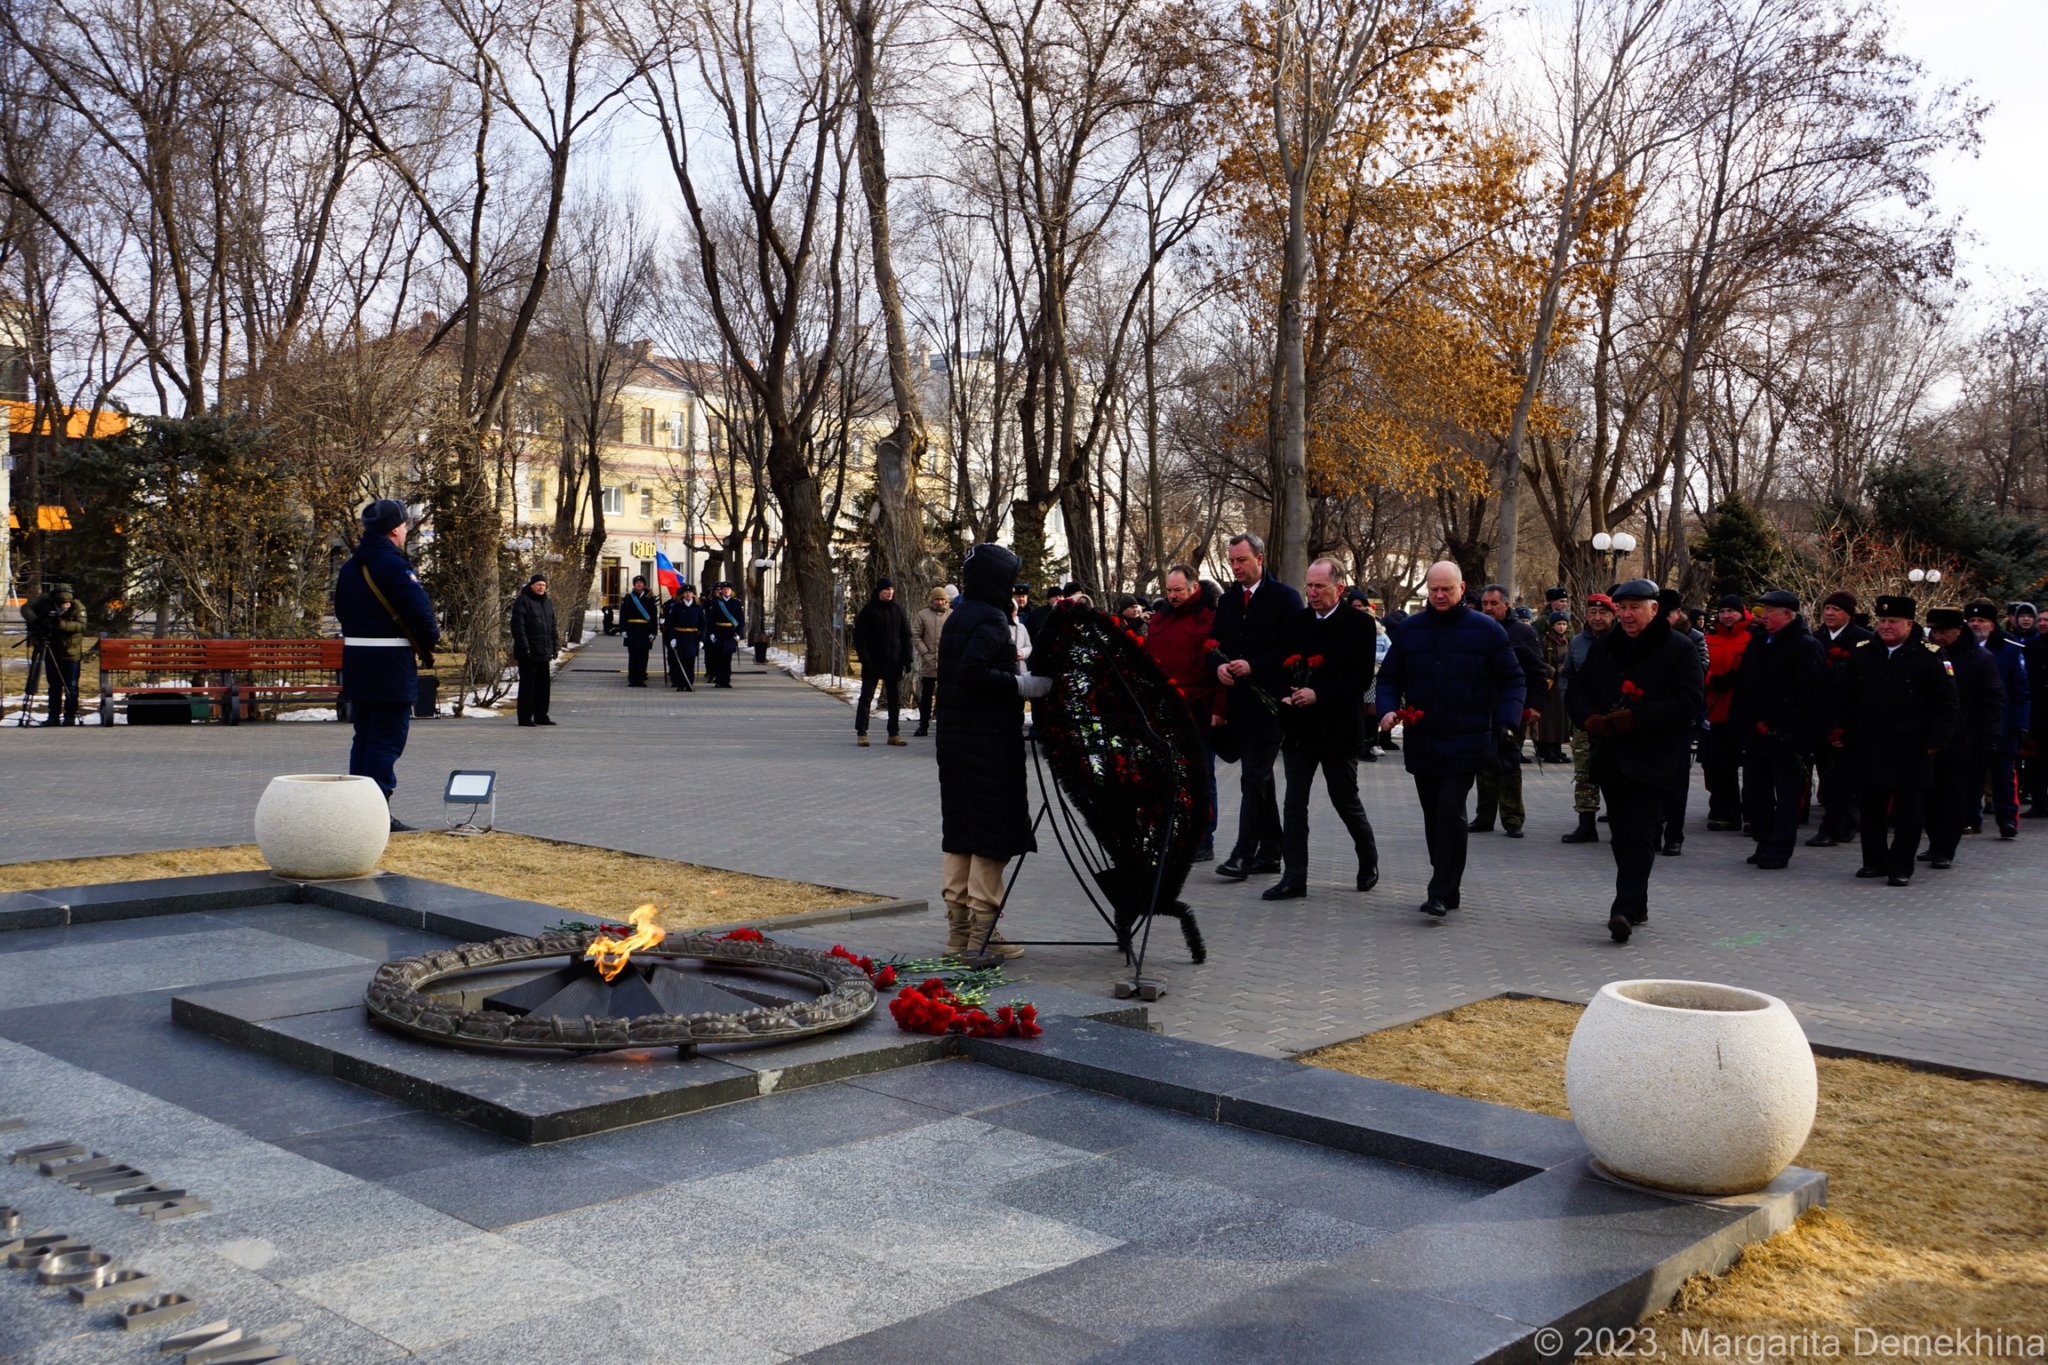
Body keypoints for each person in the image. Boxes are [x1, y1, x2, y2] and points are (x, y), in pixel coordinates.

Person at [1375, 561, 1525, 917]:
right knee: (1433, 814)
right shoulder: (1410, 630)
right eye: (1434, 589)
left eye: (1447, 589)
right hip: (1423, 735)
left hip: (1468, 735)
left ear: (1462, 588)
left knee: (1450, 810)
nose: (1440, 596)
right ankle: (1447, 881)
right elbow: (1390, 677)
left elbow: (1513, 680)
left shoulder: (1486, 630)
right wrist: (1387, 708)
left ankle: (1439, 890)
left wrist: (1506, 722)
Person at [1564, 578, 1705, 942]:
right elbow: (1577, 689)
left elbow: (1689, 702)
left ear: (1653, 609)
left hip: (1653, 756)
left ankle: (1623, 908)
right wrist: (1589, 718)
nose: (1626, 615)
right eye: (1621, 608)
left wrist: (1637, 718)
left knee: (1640, 832)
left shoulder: (1678, 648)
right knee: (1619, 834)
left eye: (1634, 608)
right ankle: (1637, 901)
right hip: (1610, 754)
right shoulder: (1604, 647)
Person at [936, 543, 1047, 959]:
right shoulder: (990, 619)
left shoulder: (960, 614)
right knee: (990, 835)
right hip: (987, 744)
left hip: (955, 740)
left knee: (961, 832)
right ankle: (982, 935)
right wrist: (1026, 685)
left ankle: (958, 934)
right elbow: (973, 673)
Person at [1261, 559, 1379, 899]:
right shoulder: (1297, 622)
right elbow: (1283, 665)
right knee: (1294, 804)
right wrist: (1284, 695)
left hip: (1339, 729)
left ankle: (1368, 859)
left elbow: (1360, 678)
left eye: (1319, 587)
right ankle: (1294, 877)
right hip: (1300, 730)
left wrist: (1320, 694)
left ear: (1338, 589)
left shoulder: (1359, 624)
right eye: (1308, 586)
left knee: (1345, 800)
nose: (1312, 593)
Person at [1833, 596, 1955, 884]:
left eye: (1893, 622)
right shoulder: (1863, 652)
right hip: (1868, 744)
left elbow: (1947, 703)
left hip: (1911, 747)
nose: (1886, 626)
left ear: (1909, 624)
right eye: (1882, 621)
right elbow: (1844, 696)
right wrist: (1838, 728)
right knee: (1871, 809)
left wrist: (1938, 739)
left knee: (1908, 813)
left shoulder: (1929, 655)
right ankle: (1874, 861)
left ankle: (1901, 867)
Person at [1206, 533, 1305, 880]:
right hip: (1239, 702)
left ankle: (1243, 854)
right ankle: (1272, 850)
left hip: (1272, 703)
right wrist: (1218, 666)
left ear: (1260, 559)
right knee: (1261, 780)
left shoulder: (1285, 598)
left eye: (1241, 560)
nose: (1235, 567)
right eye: (1231, 561)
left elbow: (1293, 648)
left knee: (1253, 777)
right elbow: (1213, 645)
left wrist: (1255, 665)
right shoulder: (1229, 600)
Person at [335, 498, 440, 828]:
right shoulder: (396, 568)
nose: (407, 530)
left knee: (364, 737)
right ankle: (375, 812)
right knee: (386, 739)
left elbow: (341, 610)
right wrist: (429, 638)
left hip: (357, 663)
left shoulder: (351, 567)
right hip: (390, 666)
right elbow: (422, 616)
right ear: (395, 529)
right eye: (406, 525)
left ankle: (355, 806)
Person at [1730, 589, 1826, 869]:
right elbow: (1743, 686)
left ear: (1788, 615)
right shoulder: (1758, 642)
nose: (1763, 617)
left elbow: (1811, 696)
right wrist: (1738, 723)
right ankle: (1763, 840)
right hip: (1756, 734)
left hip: (1788, 739)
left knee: (1786, 798)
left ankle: (1780, 847)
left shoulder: (1806, 646)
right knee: (1755, 794)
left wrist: (1793, 734)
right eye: (1762, 611)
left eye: (1770, 612)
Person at [1146, 564, 1220, 859]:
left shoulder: (1210, 619)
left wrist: (1218, 709)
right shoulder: (1160, 618)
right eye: (1169, 590)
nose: (1173, 596)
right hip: (1163, 711)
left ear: (1194, 588)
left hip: (1198, 711)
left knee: (1201, 778)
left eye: (1178, 590)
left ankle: (1203, 840)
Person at [1922, 607, 2003, 869]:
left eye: (1943, 631)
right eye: (1934, 631)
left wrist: (1988, 737)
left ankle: (1946, 848)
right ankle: (1934, 843)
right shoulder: (1928, 654)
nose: (1937, 636)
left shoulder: (1979, 658)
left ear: (1959, 630)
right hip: (1930, 737)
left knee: (1953, 799)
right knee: (1929, 798)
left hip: (1963, 740)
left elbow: (1991, 700)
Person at [1471, 583, 1548, 838]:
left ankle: (1512, 818)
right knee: (1484, 762)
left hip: (1512, 708)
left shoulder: (1522, 633)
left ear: (1507, 605)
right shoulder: (1477, 630)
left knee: (1508, 763)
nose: (1489, 608)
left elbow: (1538, 672)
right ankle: (1484, 816)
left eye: (1494, 604)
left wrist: (1535, 705)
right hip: (1482, 707)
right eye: (1485, 604)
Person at [1807, 591, 1872, 845]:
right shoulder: (1815, 639)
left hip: (1850, 720)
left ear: (1849, 613)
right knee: (1828, 775)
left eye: (1835, 609)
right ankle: (1844, 820)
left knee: (1845, 776)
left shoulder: (1863, 641)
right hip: (1821, 718)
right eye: (1827, 608)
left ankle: (1834, 827)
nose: (1829, 613)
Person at [1964, 599, 2030, 837]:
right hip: (1971, 725)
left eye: (1981, 620)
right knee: (1971, 776)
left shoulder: (2010, 650)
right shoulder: (1961, 649)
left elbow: (2021, 691)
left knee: (2003, 776)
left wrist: (2021, 724)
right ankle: (1970, 819)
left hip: (2002, 724)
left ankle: (2007, 820)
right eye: (1971, 620)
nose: (1975, 624)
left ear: (1992, 625)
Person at [1558, 594, 1616, 843]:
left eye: (1603, 613)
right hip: (1585, 718)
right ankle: (1586, 824)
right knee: (1584, 772)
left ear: (1613, 615)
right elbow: (1566, 674)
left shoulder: (1621, 641)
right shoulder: (1579, 642)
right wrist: (1571, 703)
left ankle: (1618, 821)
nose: (1597, 617)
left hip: (1614, 719)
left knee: (1616, 772)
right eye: (1592, 612)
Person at [1700, 595, 1754, 832]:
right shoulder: (1709, 637)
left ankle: (1753, 813)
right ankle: (1727, 812)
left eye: (1731, 611)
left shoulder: (1752, 637)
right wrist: (1712, 679)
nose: (1726, 615)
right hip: (1716, 710)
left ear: (1742, 612)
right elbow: (1699, 666)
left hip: (1743, 710)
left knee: (1752, 767)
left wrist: (1738, 679)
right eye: (1723, 611)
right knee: (1719, 766)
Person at [853, 577, 914, 746]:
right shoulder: (869, 610)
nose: (890, 593)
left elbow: (906, 636)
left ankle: (893, 733)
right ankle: (862, 733)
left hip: (894, 662)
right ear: (879, 591)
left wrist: (907, 659)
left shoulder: (898, 610)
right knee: (866, 698)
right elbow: (859, 637)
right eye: (886, 590)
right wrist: (865, 659)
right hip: (873, 662)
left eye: (892, 590)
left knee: (895, 699)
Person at [23, 582, 87, 725]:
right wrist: (36, 621)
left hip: (71, 653)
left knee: (71, 685)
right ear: (55, 601)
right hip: (51, 649)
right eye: (61, 603)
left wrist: (60, 625)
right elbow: (26, 608)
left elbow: (81, 626)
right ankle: (53, 716)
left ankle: (70, 716)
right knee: (54, 685)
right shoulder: (45, 601)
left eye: (67, 603)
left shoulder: (78, 607)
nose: (65, 605)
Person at [509, 573, 559, 726]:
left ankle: (541, 715)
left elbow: (553, 626)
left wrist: (555, 646)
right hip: (529, 653)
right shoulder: (523, 601)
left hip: (544, 652)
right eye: (538, 584)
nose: (541, 587)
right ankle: (525, 717)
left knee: (543, 687)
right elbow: (518, 627)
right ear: (531, 585)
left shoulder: (547, 603)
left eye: (543, 585)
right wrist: (525, 647)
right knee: (528, 686)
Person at [1535, 611, 1573, 762]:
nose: (1562, 627)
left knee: (1562, 718)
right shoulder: (1546, 641)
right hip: (1550, 685)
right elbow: (1539, 660)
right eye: (1559, 624)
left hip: (1563, 684)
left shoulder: (1567, 641)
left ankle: (1557, 747)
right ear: (1552, 625)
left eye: (1564, 624)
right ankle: (1548, 748)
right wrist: (1552, 671)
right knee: (1550, 719)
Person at [912, 586, 949, 736]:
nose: (940, 602)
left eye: (942, 599)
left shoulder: (952, 615)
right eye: (937, 599)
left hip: (946, 663)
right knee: (926, 696)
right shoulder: (923, 615)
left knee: (944, 696)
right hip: (929, 662)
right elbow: (915, 635)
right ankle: (923, 725)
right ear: (932, 600)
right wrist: (925, 653)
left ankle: (943, 725)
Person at [662, 584, 705, 690]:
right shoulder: (676, 607)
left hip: (692, 637)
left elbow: (703, 625)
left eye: (690, 592)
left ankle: (689, 684)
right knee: (680, 661)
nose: (688, 594)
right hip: (680, 636)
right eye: (686, 592)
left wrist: (701, 639)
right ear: (682, 595)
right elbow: (671, 624)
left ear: (693, 594)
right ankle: (681, 684)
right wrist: (672, 638)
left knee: (690, 662)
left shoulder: (698, 608)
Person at [618, 575, 658, 687]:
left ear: (644, 585)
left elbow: (654, 616)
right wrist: (623, 629)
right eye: (637, 583)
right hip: (632, 630)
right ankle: (633, 679)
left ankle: (641, 678)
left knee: (643, 656)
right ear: (634, 585)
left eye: (641, 582)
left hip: (645, 630)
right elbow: (623, 614)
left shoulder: (650, 598)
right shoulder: (629, 597)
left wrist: (653, 632)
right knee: (633, 655)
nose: (639, 584)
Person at [705, 582, 745, 687]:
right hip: (718, 632)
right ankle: (718, 680)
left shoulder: (736, 603)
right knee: (718, 659)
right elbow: (711, 620)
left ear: (731, 591)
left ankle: (726, 680)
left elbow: (741, 621)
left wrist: (739, 634)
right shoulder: (715, 602)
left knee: (727, 659)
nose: (726, 591)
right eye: (724, 589)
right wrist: (711, 633)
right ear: (721, 591)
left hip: (730, 633)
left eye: (728, 589)